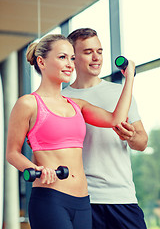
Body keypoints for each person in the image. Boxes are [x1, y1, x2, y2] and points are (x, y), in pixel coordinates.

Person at [6, 33, 135, 229]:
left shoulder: (76, 105)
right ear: (41, 61)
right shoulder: (28, 104)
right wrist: (34, 169)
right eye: (62, 57)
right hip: (51, 199)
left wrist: (129, 79)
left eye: (72, 58)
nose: (70, 64)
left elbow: (115, 119)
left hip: (83, 201)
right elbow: (12, 153)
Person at [62, 28, 148, 229]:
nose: (96, 58)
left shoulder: (120, 92)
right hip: (82, 198)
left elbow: (142, 142)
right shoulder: (62, 99)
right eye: (88, 52)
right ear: (72, 58)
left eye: (99, 51)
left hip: (121, 196)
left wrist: (131, 136)